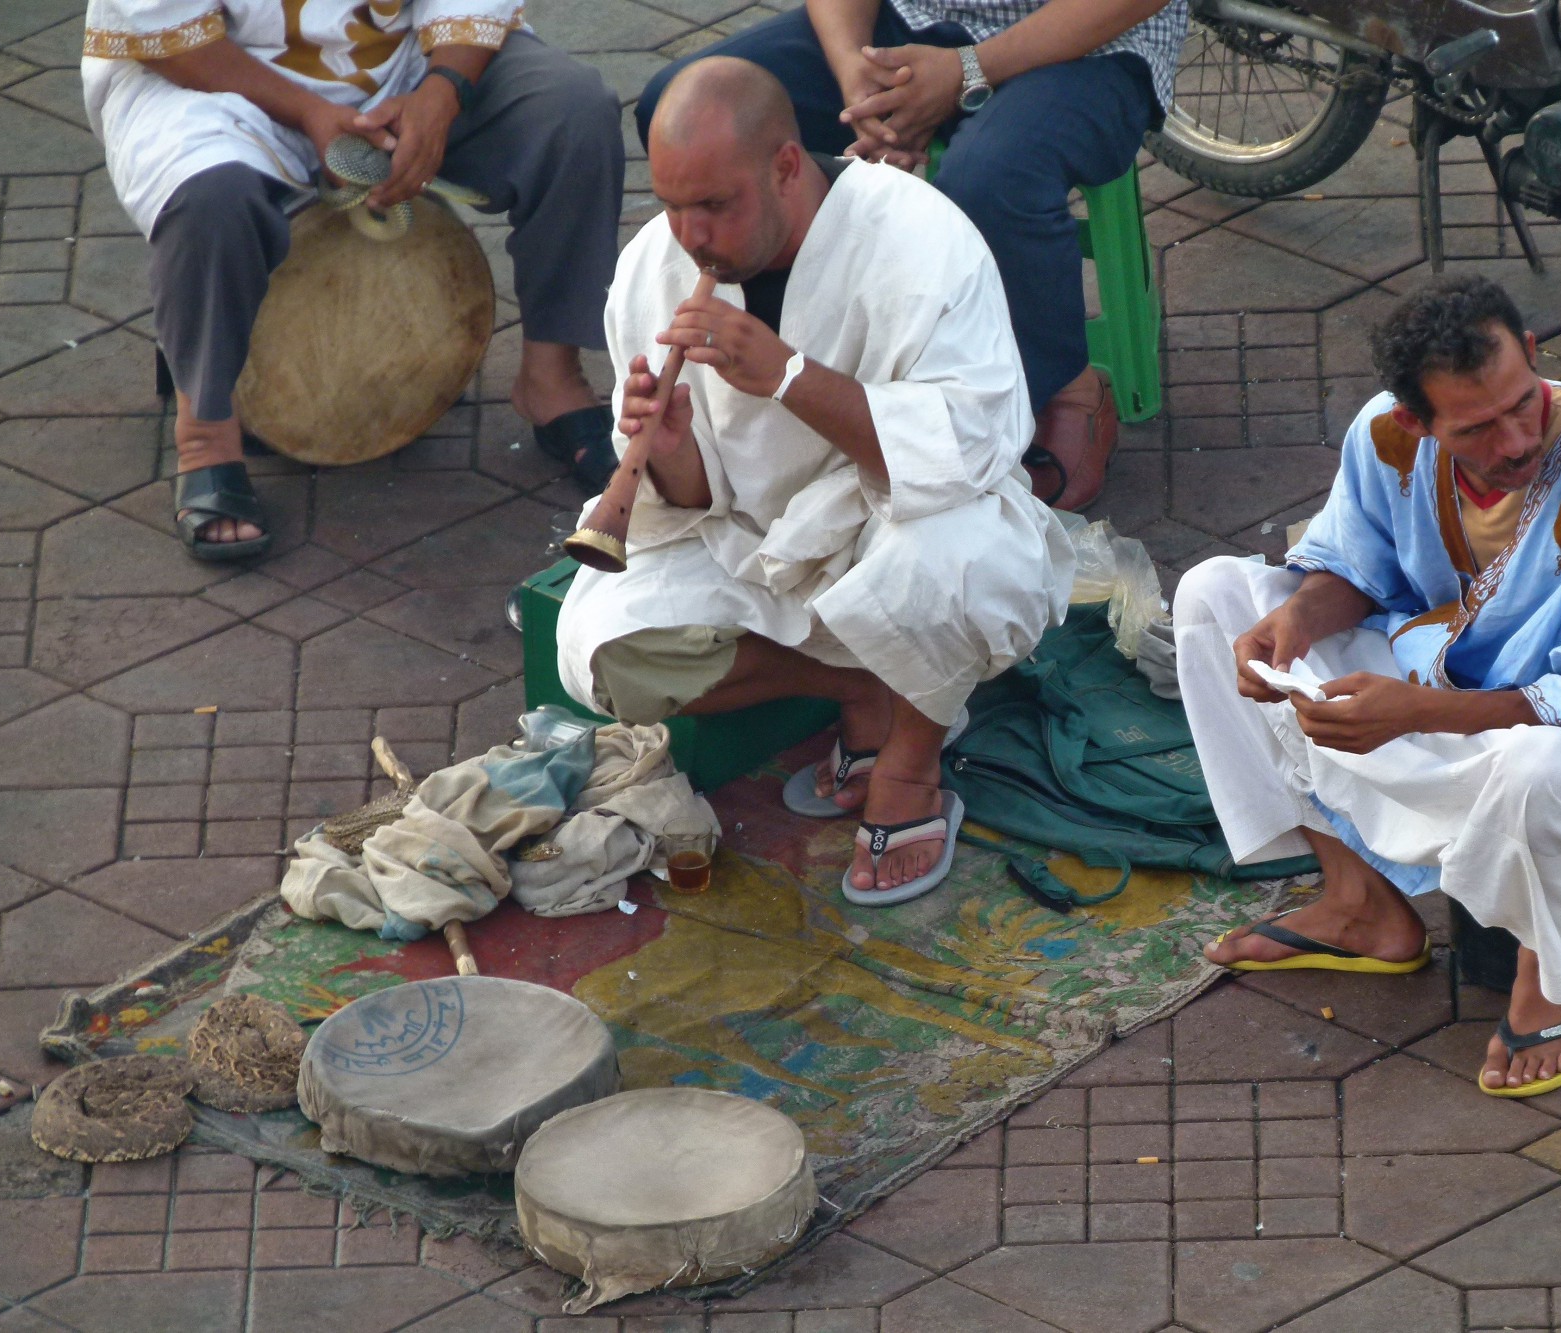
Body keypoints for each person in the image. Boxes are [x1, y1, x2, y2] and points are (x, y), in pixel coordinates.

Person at [1174, 277, 1561, 1098]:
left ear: (1533, 354)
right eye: (1477, 427)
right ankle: (1360, 902)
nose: (1514, 440)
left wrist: (1415, 712)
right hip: (1438, 681)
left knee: (1542, 769)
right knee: (1212, 597)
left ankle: (1553, 973)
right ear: (1417, 423)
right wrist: (1296, 623)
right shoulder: (1384, 438)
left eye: (1523, 404)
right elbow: (1355, 569)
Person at [555, 58, 1075, 905]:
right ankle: (867, 681)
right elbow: (691, 505)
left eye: (715, 205)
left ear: (787, 166)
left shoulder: (920, 240)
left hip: (899, 522)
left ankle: (911, 759)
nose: (690, 235)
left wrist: (790, 376)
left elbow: (971, 449)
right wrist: (672, 452)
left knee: (964, 565)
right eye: (672, 203)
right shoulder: (653, 268)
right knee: (606, 651)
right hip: (756, 548)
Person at [80, 0, 625, 560]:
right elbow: (164, 26)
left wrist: (442, 92)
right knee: (210, 201)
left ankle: (551, 379)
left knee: (573, 113)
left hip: (406, 63)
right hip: (213, 82)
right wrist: (307, 111)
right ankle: (205, 436)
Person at [632, 0, 1188, 511]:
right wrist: (854, 72)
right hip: (914, 15)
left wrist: (966, 71)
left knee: (992, 178)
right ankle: (799, 371)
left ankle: (1068, 383)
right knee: (683, 107)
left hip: (1095, 41)